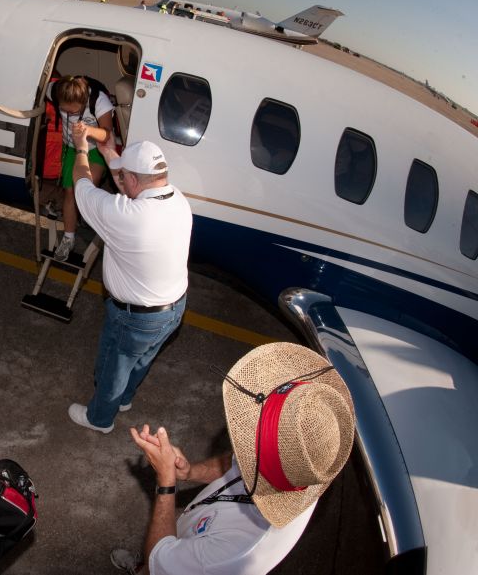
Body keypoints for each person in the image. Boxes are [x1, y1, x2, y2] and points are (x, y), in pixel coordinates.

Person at [110, 342, 356, 575]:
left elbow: (160, 561)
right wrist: (188, 472)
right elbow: (240, 461)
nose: (242, 429)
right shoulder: (299, 464)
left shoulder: (234, 553)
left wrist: (166, 483)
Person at [67, 134, 192, 433]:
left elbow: (82, 183)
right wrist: (109, 153)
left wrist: (81, 148)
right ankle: (125, 399)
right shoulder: (177, 199)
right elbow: (131, 187)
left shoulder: (126, 216)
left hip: (135, 318)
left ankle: (100, 418)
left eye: (123, 175)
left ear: (134, 179)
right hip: (173, 309)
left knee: (113, 367)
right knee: (141, 359)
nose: (119, 179)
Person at [48, 76, 116, 261]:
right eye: (64, 110)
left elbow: (107, 133)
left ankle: (88, 217)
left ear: (83, 101)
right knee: (70, 192)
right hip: (71, 147)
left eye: (74, 111)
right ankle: (69, 238)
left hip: (96, 148)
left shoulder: (98, 100)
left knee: (84, 190)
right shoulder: (54, 91)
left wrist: (88, 130)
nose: (69, 114)